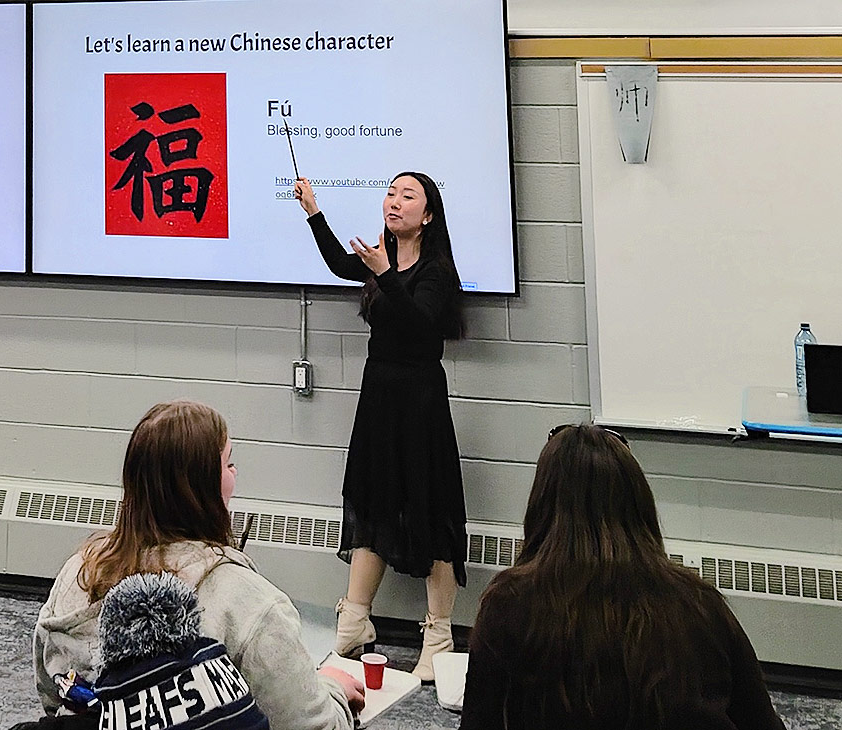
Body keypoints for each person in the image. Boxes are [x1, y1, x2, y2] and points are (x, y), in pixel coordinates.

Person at [33, 400, 364, 730]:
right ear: (202, 488)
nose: (234, 473)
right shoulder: (248, 601)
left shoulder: (77, 573)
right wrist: (333, 688)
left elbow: (53, 698)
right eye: (228, 463)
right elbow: (311, 726)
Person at [460, 424, 787, 730]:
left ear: (542, 506)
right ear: (639, 503)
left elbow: (480, 722)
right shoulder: (700, 605)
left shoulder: (509, 605)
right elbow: (761, 722)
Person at [294, 172, 466, 682]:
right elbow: (336, 262)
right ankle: (354, 621)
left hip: (420, 402)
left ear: (428, 215)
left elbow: (419, 322)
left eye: (407, 196)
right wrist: (313, 211)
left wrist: (386, 272)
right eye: (390, 193)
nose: (394, 202)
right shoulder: (378, 259)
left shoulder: (436, 269)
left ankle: (438, 635)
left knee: (430, 510)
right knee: (372, 502)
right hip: (378, 398)